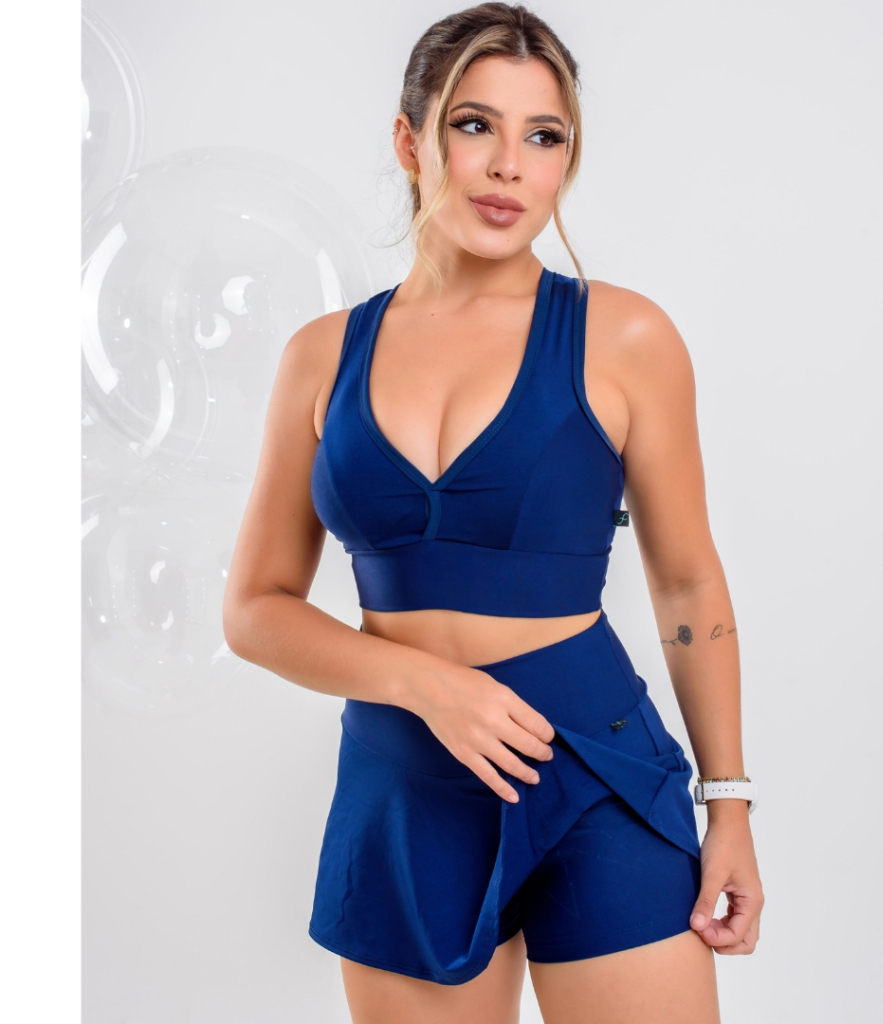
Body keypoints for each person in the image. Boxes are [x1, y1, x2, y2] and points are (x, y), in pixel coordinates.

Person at [223, 4, 763, 1022]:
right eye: (474, 125)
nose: (509, 165)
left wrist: (727, 803)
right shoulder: (320, 356)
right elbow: (254, 607)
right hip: (404, 790)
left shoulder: (624, 337)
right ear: (409, 141)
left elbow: (689, 582)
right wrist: (425, 685)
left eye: (543, 136)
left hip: (594, 772)